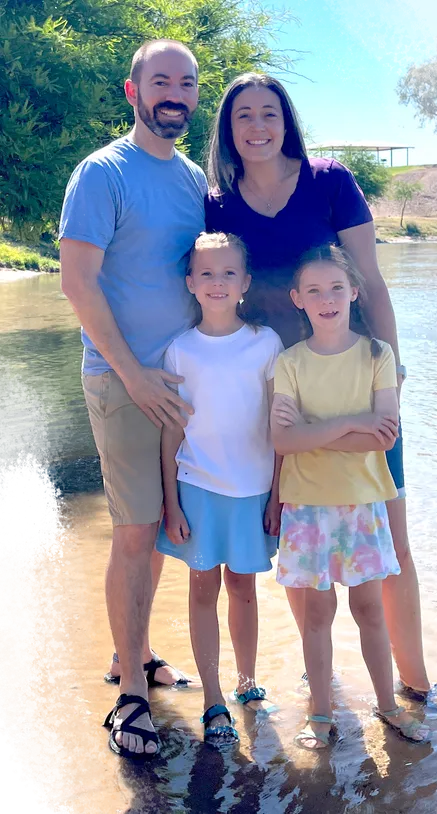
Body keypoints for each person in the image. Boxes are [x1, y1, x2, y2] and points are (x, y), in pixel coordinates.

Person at [204, 72, 432, 703]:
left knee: (390, 536)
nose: (257, 127)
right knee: (297, 535)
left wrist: (393, 370)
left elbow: (373, 283)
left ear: (287, 122)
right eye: (243, 115)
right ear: (227, 129)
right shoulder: (217, 202)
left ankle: (416, 684)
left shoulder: (330, 181)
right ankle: (321, 679)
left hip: (357, 380)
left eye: (269, 113)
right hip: (278, 387)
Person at [59, 39, 207, 760]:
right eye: (161, 81)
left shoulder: (193, 179)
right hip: (122, 381)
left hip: (179, 384)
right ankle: (129, 698)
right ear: (133, 91)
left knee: (157, 530)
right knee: (134, 529)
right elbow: (77, 283)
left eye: (187, 83)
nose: (174, 94)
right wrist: (135, 375)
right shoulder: (102, 172)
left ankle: (135, 653)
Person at [270, 245, 431, 749]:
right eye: (314, 290)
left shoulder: (377, 355)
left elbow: (383, 437)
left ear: (354, 292)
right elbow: (282, 440)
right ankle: (321, 714)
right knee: (316, 617)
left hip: (363, 504)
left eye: (336, 288)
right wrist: (351, 423)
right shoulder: (289, 362)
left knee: (370, 611)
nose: (327, 299)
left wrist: (314, 430)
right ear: (297, 299)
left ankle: (388, 706)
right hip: (307, 508)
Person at [156, 231, 283, 746]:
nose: (217, 282)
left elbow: (278, 426)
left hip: (253, 489)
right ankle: (212, 698)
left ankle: (247, 685)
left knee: (244, 590)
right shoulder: (180, 350)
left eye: (229, 273)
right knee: (202, 591)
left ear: (245, 282)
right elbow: (172, 430)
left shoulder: (266, 343)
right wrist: (170, 503)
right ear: (190, 282)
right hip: (197, 488)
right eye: (206, 273)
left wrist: (277, 494)